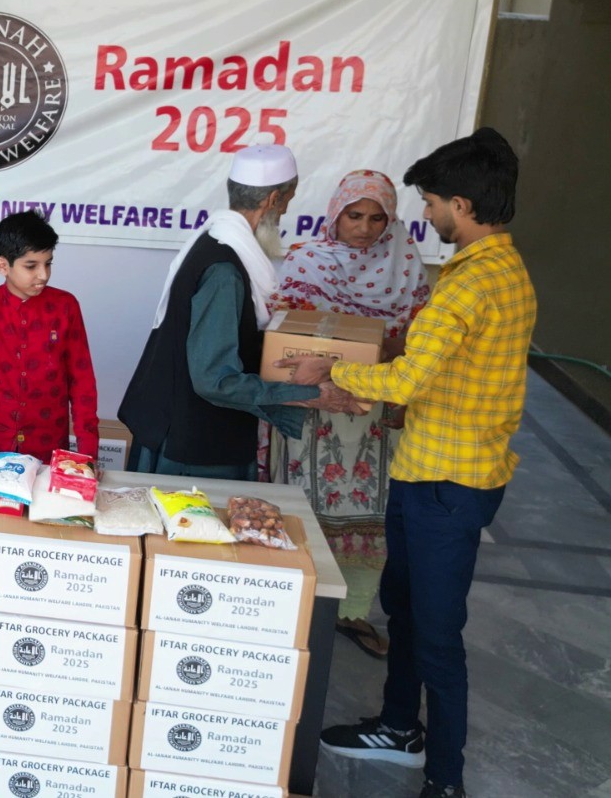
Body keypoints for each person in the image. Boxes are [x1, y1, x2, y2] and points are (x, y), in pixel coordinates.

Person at [283, 129, 536, 798]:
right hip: (440, 466)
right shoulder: (506, 271)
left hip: (447, 482)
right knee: (408, 607)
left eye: (428, 203)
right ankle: (398, 726)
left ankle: (444, 777)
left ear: (460, 202)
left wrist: (329, 368)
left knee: (437, 633)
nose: (423, 217)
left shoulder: (465, 286)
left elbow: (407, 380)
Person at [117, 143, 358, 481]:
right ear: (273, 200)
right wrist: (310, 395)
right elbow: (215, 380)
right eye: (286, 204)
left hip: (185, 432)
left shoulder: (213, 241)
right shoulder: (224, 271)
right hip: (194, 448)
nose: (285, 214)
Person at [266, 170, 431, 659]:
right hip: (312, 411)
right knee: (300, 504)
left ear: (391, 220)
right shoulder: (305, 260)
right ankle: (290, 605)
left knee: (369, 511)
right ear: (335, 214)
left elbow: (418, 341)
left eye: (376, 217)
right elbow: (281, 333)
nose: (363, 227)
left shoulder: (405, 265)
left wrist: (394, 385)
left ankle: (352, 611)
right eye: (353, 215)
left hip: (373, 413)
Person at [0, 210, 100, 460]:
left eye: (48, 263)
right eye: (31, 266)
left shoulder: (65, 306)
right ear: (3, 266)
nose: (43, 275)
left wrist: (87, 455)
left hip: (48, 441)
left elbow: (83, 383)